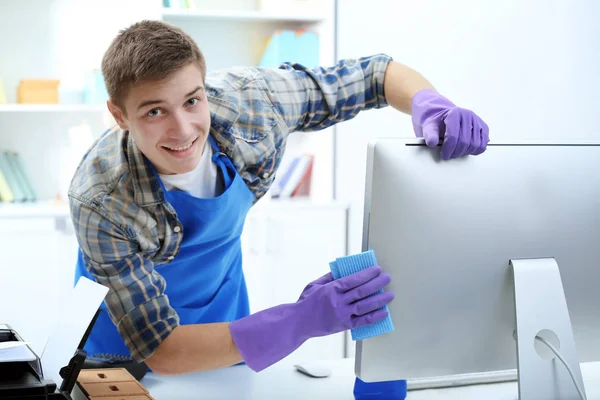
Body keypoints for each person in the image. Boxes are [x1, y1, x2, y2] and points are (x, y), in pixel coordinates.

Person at [69, 20, 490, 376]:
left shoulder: (254, 103)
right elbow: (160, 349)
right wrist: (299, 320)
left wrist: (431, 103)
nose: (183, 129)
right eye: (154, 111)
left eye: (192, 101)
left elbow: (374, 75)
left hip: (224, 334)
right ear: (120, 115)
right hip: (123, 355)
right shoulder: (100, 198)